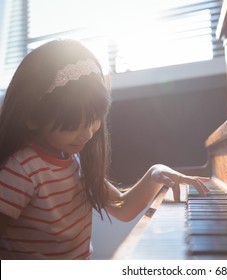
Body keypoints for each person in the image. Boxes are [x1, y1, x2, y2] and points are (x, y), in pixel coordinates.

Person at [0, 39, 210, 259]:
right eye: (72, 126)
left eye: (94, 120)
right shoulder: (22, 170)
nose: (87, 134)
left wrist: (155, 173)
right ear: (33, 117)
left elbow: (123, 207)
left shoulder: (74, 160)